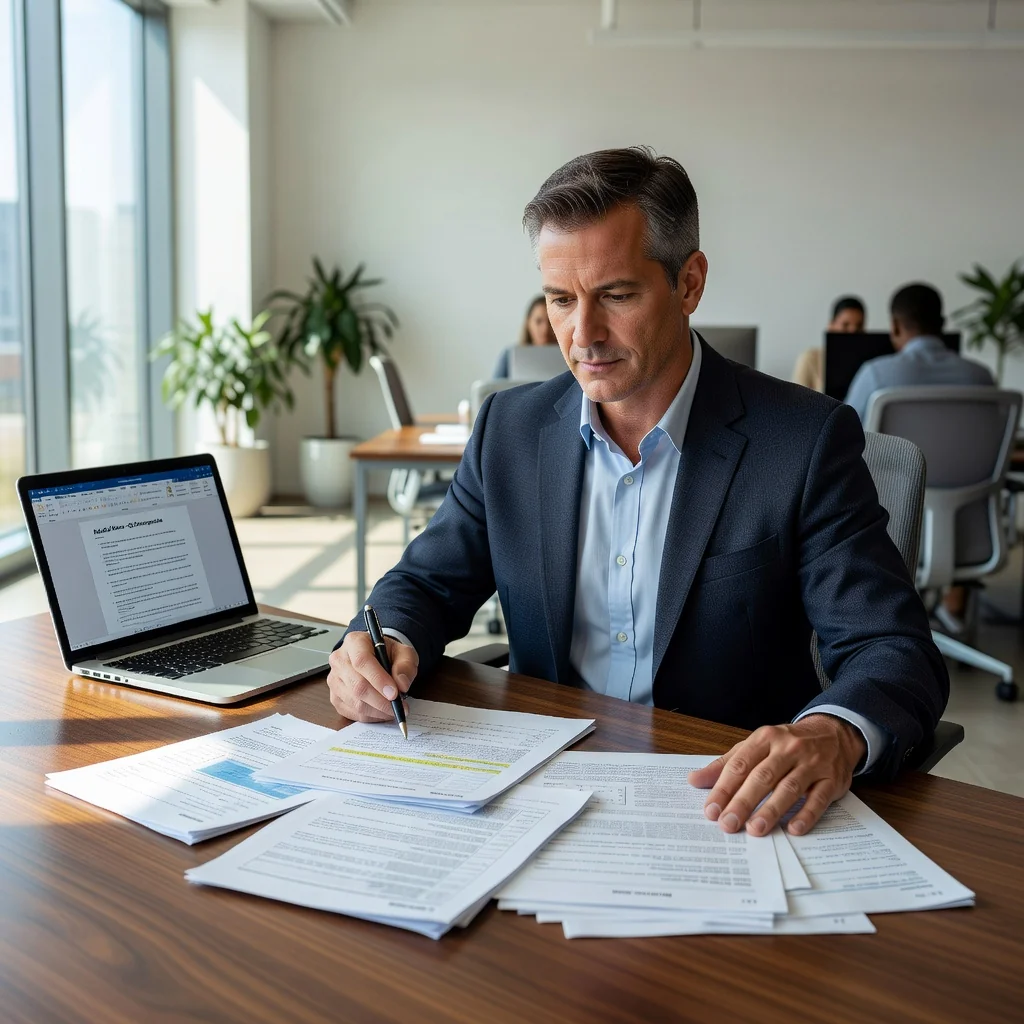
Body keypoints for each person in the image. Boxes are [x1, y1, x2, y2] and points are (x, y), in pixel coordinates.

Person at [329, 147, 947, 840]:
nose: (582, 335)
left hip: (723, 802)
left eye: (616, 296)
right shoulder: (512, 429)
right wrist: (375, 642)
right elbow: (426, 583)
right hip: (541, 791)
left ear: (689, 283)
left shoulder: (802, 442)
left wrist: (834, 732)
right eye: (560, 300)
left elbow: (892, 649)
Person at [844, 283, 994, 422]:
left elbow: (839, 436)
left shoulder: (874, 375)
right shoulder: (982, 378)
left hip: (895, 452)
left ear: (895, 326)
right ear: (942, 324)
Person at [792, 296, 866, 392]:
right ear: (831, 325)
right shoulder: (810, 359)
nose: (852, 331)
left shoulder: (868, 363)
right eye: (845, 325)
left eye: (859, 326)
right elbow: (796, 399)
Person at [492, 295, 557, 378]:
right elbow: (493, 389)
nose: (545, 329)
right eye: (538, 321)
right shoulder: (510, 354)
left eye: (551, 322)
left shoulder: (570, 356)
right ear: (528, 323)